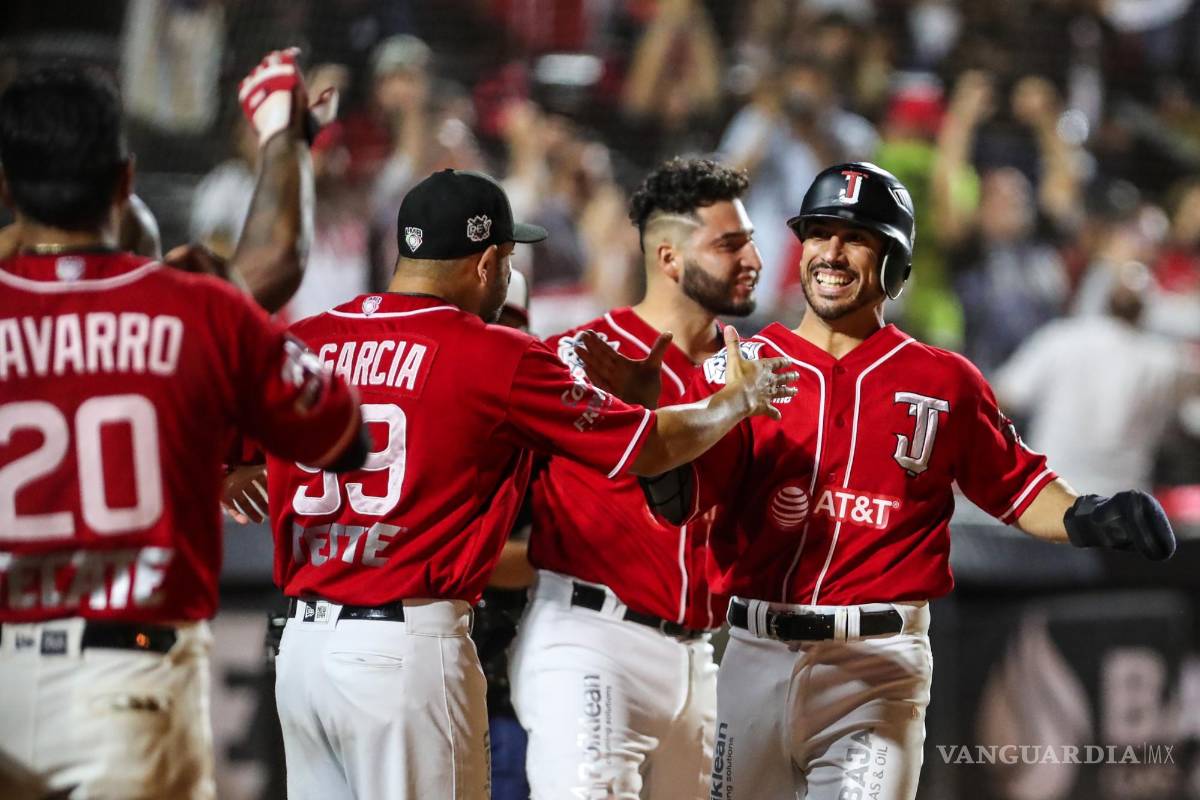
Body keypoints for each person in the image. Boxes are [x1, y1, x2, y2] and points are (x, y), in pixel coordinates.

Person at [595, 161, 1176, 800]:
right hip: (753, 653)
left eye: (856, 238)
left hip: (876, 665)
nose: (831, 252)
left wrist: (1088, 515)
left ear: (894, 263)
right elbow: (680, 499)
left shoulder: (944, 381)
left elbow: (1018, 488)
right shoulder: (740, 368)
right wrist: (656, 432)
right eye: (819, 233)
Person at [264, 167, 797, 800]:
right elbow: (649, 446)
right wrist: (736, 401)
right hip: (407, 647)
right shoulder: (494, 353)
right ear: (488, 262)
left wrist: (242, 479)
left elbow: (221, 451)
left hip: (303, 651)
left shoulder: (305, 341)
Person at [0, 52, 365, 800]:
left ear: (7, 187)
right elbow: (342, 435)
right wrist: (283, 137)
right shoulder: (192, 304)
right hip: (132, 679)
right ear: (125, 181)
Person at [509, 156, 761, 799]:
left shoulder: (755, 370)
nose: (753, 260)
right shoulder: (584, 356)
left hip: (702, 657)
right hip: (593, 639)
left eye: (751, 241)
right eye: (729, 245)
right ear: (669, 258)